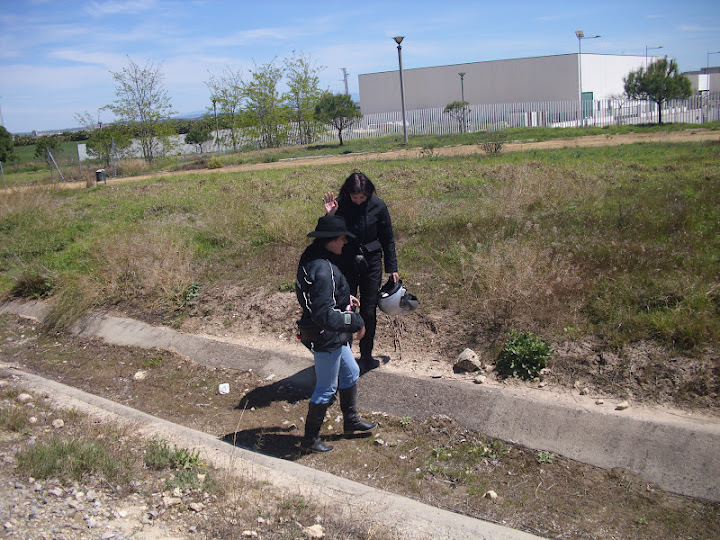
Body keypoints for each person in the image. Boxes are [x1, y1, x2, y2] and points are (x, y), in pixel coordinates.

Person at [295, 214, 378, 453]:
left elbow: (320, 299)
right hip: (325, 334)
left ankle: (350, 422)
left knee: (351, 372)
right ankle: (309, 440)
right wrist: (357, 321)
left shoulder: (313, 255)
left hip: (330, 332)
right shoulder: (322, 269)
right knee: (326, 387)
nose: (344, 242)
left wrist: (343, 298)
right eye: (342, 238)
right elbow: (325, 315)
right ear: (330, 239)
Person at [322, 171, 399, 372]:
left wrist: (392, 268)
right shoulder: (340, 205)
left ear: (369, 194)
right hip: (345, 262)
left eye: (361, 197)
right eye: (354, 197)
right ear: (348, 193)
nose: (357, 201)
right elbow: (326, 235)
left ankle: (366, 355)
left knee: (368, 310)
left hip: (371, 263)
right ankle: (345, 355)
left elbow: (387, 238)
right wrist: (329, 216)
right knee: (345, 308)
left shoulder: (378, 206)